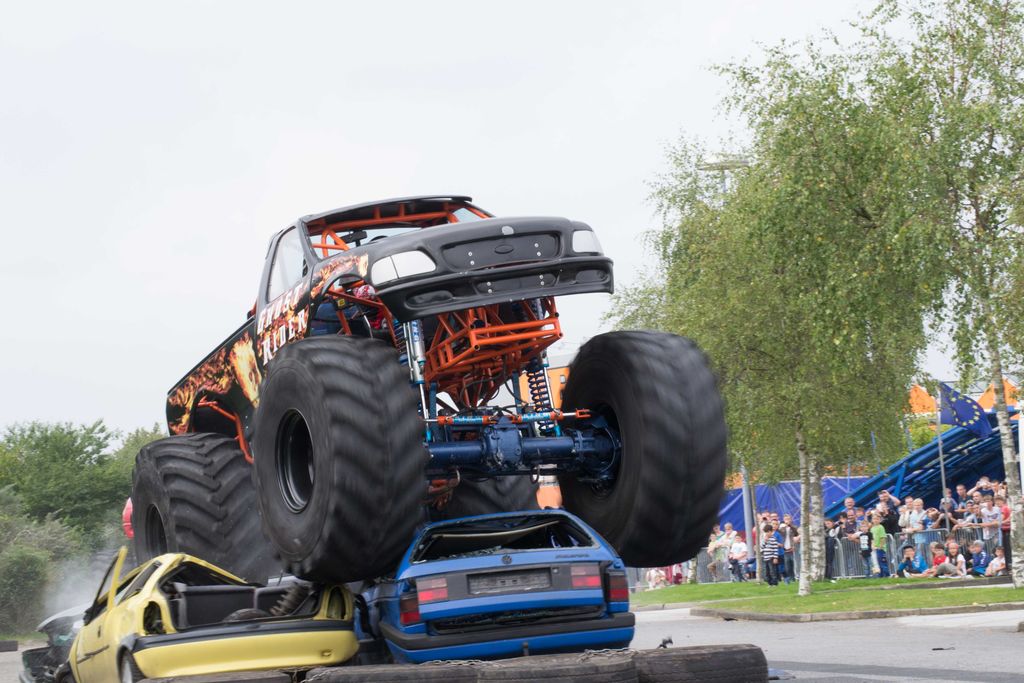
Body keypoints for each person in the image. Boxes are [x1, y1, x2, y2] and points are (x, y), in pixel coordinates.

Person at [779, 513, 800, 582]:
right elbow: (781, 532)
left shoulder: (794, 527)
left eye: (788, 519)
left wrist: (790, 526)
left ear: (791, 519)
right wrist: (785, 526)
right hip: (785, 549)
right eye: (786, 519)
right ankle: (790, 578)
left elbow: (796, 532)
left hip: (793, 548)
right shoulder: (782, 528)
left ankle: (795, 577)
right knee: (787, 566)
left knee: (794, 564)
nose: (787, 520)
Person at [870, 513, 890, 578]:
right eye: (874, 519)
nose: (875, 520)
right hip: (875, 548)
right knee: (877, 563)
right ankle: (880, 576)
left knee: (882, 563)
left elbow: (883, 537)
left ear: (880, 520)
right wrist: (872, 545)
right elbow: (872, 538)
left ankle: (886, 575)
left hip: (880, 548)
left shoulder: (881, 527)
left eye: (877, 519)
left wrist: (881, 546)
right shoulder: (872, 528)